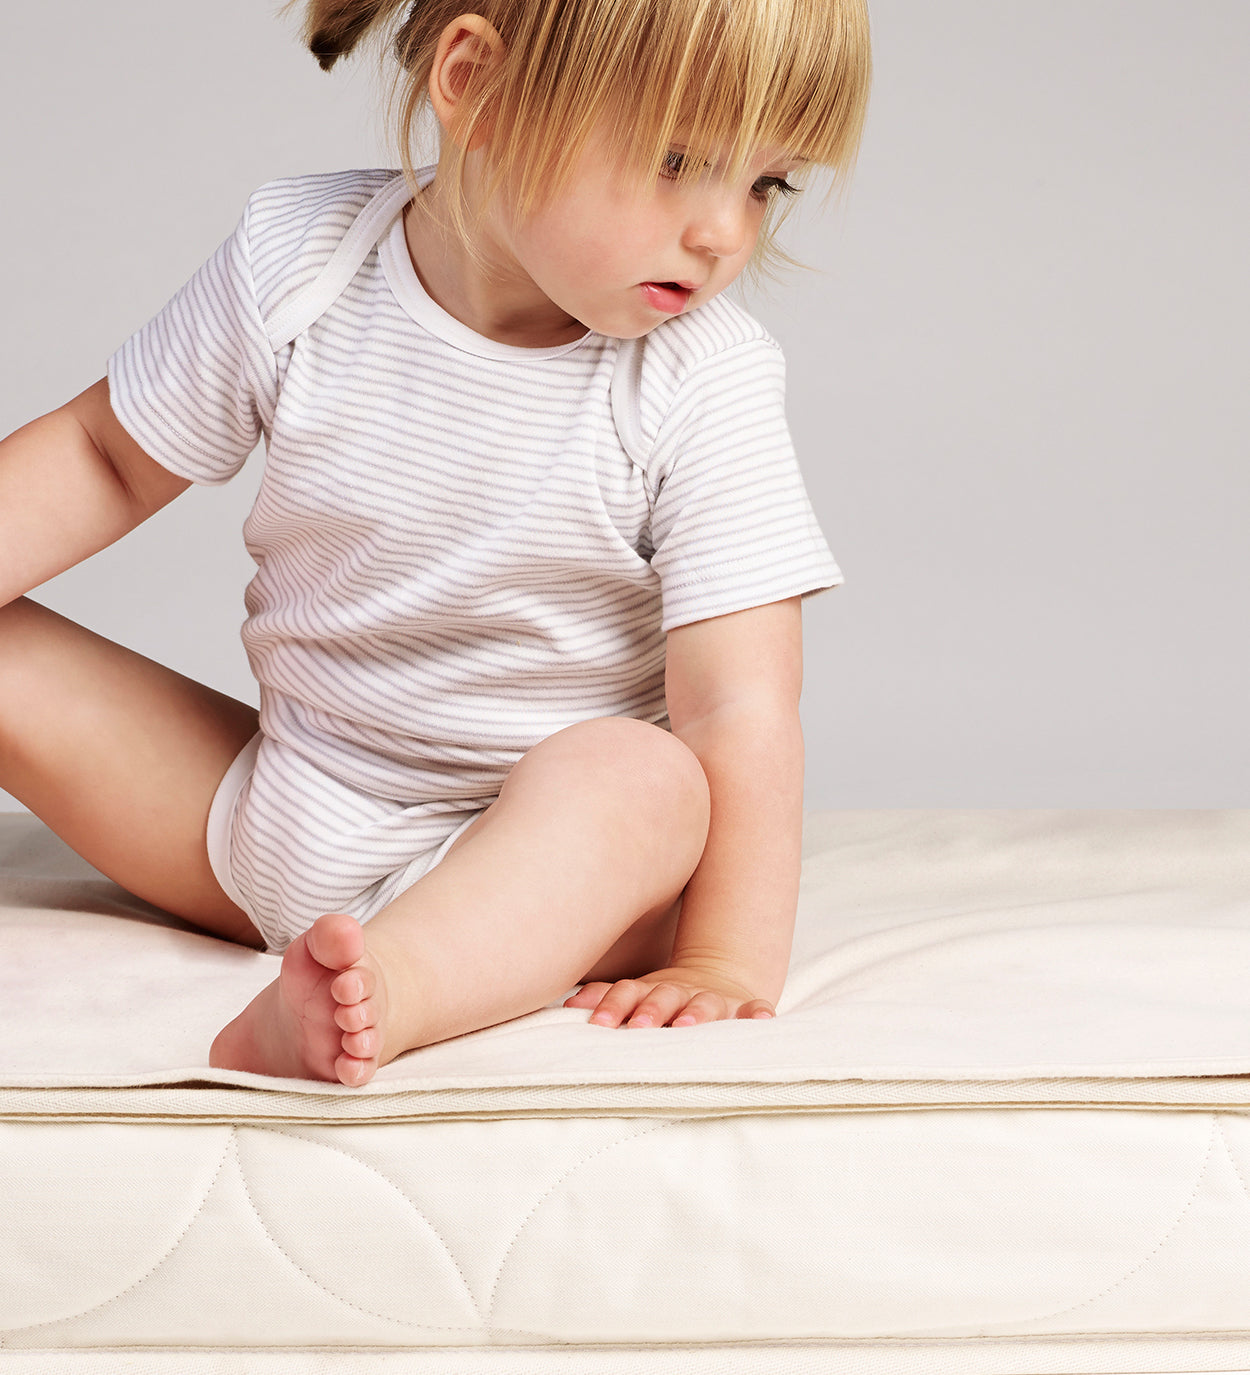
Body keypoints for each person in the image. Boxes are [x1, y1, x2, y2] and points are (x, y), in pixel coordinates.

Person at [0, 0, 871, 1086]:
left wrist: (722, 955)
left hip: (551, 878)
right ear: (475, 87)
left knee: (642, 774)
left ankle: (393, 986)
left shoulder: (700, 379)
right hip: (276, 813)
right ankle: (343, 957)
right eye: (679, 159)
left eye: (764, 183)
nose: (722, 234)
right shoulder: (303, 261)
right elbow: (102, 456)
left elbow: (736, 704)